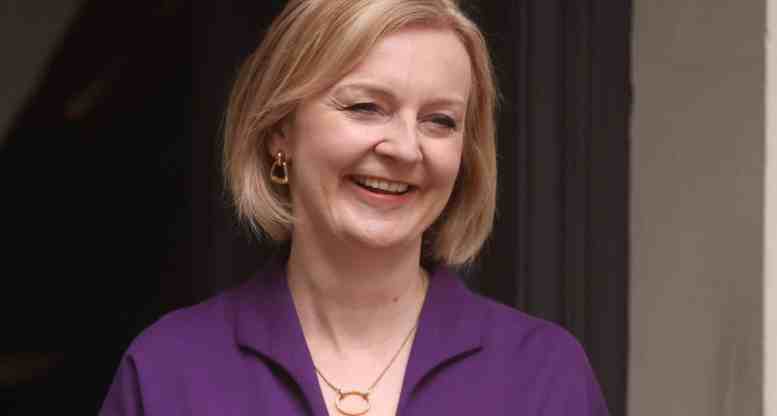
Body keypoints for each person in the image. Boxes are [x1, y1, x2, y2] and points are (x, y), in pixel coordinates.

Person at [100, 0, 610, 415]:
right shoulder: (169, 371)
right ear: (281, 129)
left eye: (440, 121)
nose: (406, 149)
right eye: (365, 107)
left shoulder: (544, 375)